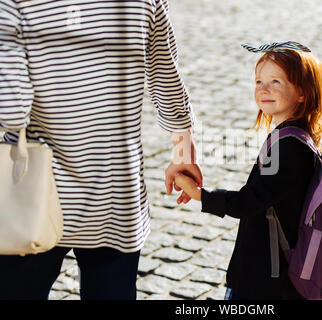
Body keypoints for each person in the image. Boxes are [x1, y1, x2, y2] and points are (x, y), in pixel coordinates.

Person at [0, 0, 201, 300]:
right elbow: (165, 74)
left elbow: (13, 112)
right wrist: (183, 154)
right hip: (116, 196)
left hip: (34, 196)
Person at [174, 41, 322, 300]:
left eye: (276, 82)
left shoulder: (290, 148)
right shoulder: (293, 137)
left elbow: (248, 202)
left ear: (303, 92)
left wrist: (201, 195)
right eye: (258, 81)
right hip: (268, 272)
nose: (263, 89)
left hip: (265, 280)